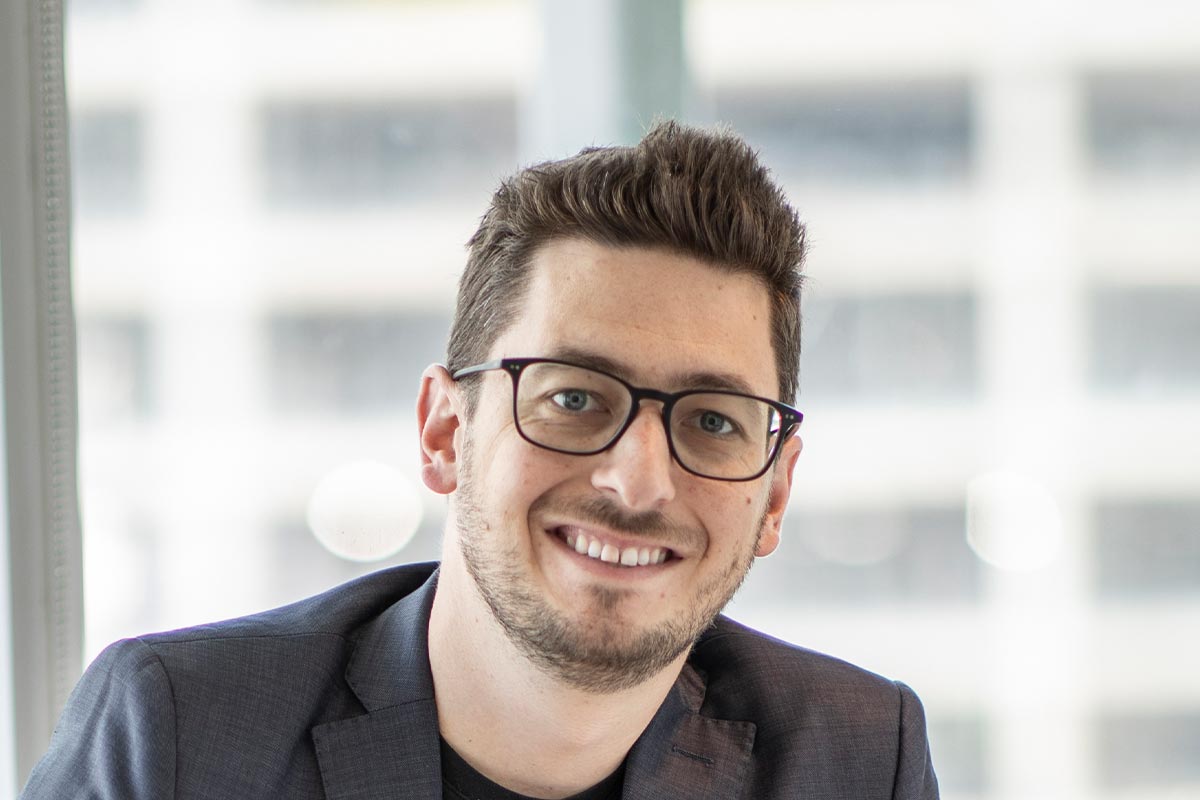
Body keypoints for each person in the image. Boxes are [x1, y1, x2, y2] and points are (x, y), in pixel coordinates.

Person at [21, 121, 939, 799]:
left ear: (776, 492)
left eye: (713, 421)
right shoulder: (182, 738)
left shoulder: (856, 758)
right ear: (444, 432)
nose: (638, 480)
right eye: (575, 399)